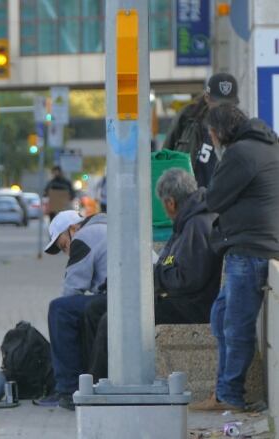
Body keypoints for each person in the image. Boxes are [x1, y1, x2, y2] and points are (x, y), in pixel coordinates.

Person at [84, 168, 222, 380]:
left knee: (112, 320)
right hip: (176, 297)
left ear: (170, 202)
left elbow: (187, 279)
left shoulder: (196, 225)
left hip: (190, 307)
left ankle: (100, 383)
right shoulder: (187, 222)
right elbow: (169, 264)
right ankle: (102, 375)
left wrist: (157, 278)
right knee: (97, 308)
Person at [190, 103, 279, 411]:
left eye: (211, 133)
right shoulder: (267, 144)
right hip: (253, 245)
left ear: (219, 132)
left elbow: (215, 197)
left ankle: (230, 395)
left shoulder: (240, 153)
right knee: (221, 316)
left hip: (250, 248)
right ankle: (224, 390)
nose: (211, 139)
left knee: (236, 326)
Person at [33, 210, 107, 411]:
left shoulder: (84, 237)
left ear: (73, 229)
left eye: (64, 245)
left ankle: (67, 390)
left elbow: (71, 289)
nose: (68, 251)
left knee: (59, 310)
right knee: (78, 307)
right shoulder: (105, 228)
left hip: (126, 298)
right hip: (139, 294)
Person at [162, 73, 239, 188]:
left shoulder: (240, 128)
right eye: (219, 105)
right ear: (207, 98)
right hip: (189, 199)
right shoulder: (188, 117)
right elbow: (165, 156)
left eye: (228, 105)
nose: (223, 110)